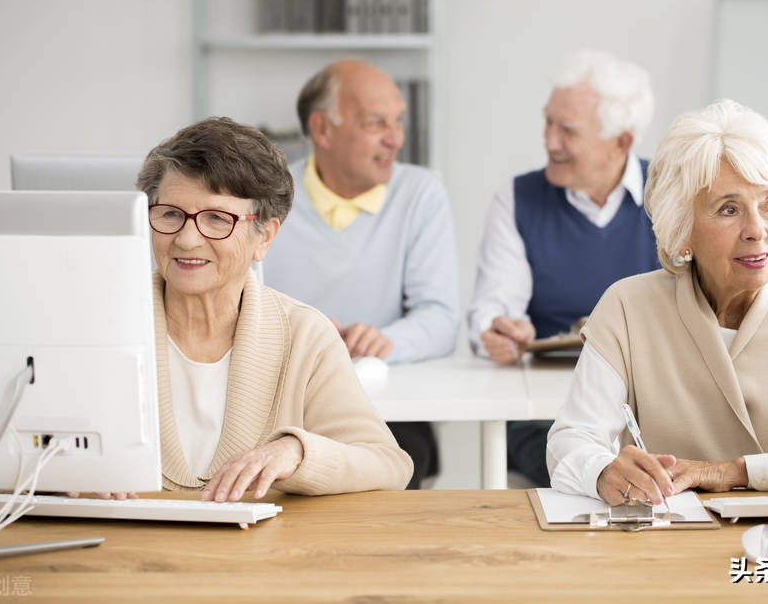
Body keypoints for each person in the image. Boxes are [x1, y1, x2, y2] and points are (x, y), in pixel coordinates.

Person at [135, 116, 412, 500]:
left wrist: (298, 452)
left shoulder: (304, 335)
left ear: (263, 236)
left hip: (265, 554)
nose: (186, 238)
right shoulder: (101, 326)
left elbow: (388, 464)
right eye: (170, 214)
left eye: (217, 219)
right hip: (127, 552)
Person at [547, 98, 768, 505]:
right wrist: (603, 471)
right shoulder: (629, 307)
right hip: (672, 546)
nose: (757, 229)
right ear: (682, 229)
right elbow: (573, 438)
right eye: (729, 209)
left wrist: (731, 472)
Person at [466, 50, 660, 487]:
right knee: (564, 461)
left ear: (622, 142)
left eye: (567, 130)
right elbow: (492, 306)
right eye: (547, 122)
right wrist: (497, 331)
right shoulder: (517, 199)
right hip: (546, 413)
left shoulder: (670, 195)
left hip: (651, 405)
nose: (549, 141)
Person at [262, 59, 459, 489]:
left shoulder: (421, 194)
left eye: (398, 122)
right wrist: (303, 335)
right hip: (279, 407)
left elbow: (441, 318)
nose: (395, 139)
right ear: (323, 129)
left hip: (385, 414)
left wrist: (387, 341)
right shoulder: (266, 200)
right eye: (376, 123)